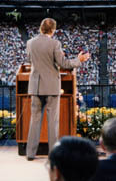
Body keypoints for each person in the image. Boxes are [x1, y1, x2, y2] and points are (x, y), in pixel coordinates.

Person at [26, 18, 90, 160]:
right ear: (53, 30)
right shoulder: (55, 43)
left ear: (40, 28)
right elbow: (63, 63)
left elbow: (31, 60)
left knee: (34, 121)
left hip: (35, 86)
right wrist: (79, 60)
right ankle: (53, 154)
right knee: (52, 122)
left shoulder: (30, 43)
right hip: (52, 87)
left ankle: (30, 153)